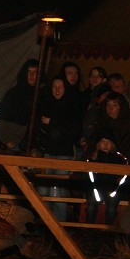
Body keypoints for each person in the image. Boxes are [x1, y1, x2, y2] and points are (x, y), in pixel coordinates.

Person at [36, 76, 81, 221]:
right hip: (47, 153)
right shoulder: (45, 104)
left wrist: (53, 123)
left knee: (59, 193)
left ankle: (59, 226)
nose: (57, 90)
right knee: (43, 192)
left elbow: (74, 129)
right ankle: (43, 225)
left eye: (60, 87)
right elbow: (40, 127)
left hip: (63, 154)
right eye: (54, 87)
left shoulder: (72, 106)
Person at [85, 134, 129, 225]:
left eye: (108, 142)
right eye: (103, 141)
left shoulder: (120, 158)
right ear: (98, 144)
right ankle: (89, 229)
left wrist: (115, 188)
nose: (105, 144)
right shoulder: (92, 158)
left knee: (111, 209)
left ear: (113, 145)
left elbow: (124, 175)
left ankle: (109, 231)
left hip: (113, 189)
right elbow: (88, 176)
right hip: (96, 189)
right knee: (90, 207)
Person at [0, 59, 40, 151]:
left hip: (35, 145)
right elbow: (1, 119)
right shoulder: (14, 93)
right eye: (29, 72)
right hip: (15, 143)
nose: (32, 76)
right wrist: (7, 141)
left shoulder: (43, 94)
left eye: (35, 72)